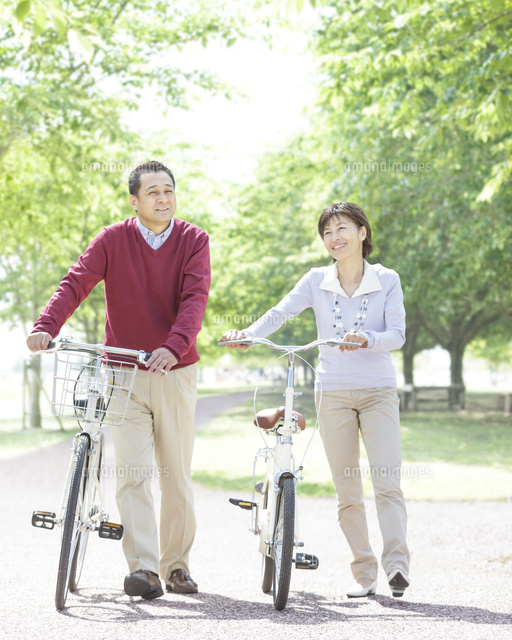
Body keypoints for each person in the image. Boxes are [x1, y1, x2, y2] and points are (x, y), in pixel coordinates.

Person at [27, 160, 210, 600]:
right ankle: (144, 569)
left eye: (169, 190)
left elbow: (194, 297)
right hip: (123, 372)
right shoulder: (112, 239)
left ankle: (177, 565)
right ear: (134, 200)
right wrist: (46, 325)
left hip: (175, 371)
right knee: (132, 473)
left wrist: (174, 344)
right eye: (153, 192)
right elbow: (75, 282)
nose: (163, 198)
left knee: (175, 475)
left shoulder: (192, 240)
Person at [220, 202, 410, 598]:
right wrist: (249, 334)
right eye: (327, 232)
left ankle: (396, 567)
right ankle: (364, 573)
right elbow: (280, 313)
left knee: (387, 483)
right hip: (333, 392)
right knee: (347, 489)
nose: (334, 237)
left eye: (342, 228)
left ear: (362, 232)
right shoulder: (316, 280)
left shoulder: (386, 279)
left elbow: (397, 335)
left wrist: (368, 339)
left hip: (377, 390)